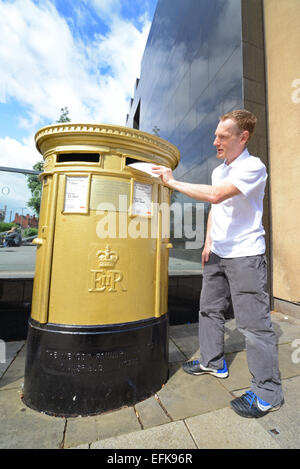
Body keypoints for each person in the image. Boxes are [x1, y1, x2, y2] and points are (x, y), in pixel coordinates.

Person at [152, 109, 284, 418]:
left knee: (254, 326)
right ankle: (213, 362)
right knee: (208, 309)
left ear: (243, 137)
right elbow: (217, 210)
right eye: (215, 135)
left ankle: (269, 392)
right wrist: (208, 241)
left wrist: (172, 182)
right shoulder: (218, 170)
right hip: (218, 253)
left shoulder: (253, 167)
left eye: (222, 136)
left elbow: (216, 196)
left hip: (245, 256)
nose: (215, 142)